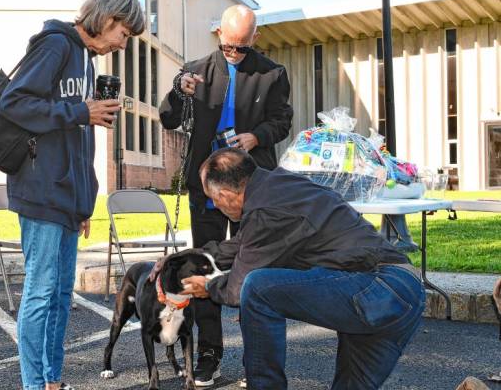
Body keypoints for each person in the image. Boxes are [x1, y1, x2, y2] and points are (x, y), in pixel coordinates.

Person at [180, 147, 426, 390]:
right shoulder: (280, 187)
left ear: (224, 195)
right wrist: (182, 260)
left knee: (256, 288)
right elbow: (240, 247)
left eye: (213, 199)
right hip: (402, 292)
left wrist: (210, 287)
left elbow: (237, 289)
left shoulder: (264, 211)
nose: (215, 204)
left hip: (375, 287)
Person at [0, 0, 144, 390]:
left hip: (67, 197)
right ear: (108, 18)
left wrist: (84, 202)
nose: (122, 43)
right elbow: (13, 103)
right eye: (124, 34)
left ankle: (51, 380)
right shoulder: (55, 45)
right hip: (41, 190)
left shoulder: (86, 62)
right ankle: (33, 383)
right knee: (41, 295)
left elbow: (80, 141)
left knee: (60, 297)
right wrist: (80, 110)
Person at [159, 4, 293, 386]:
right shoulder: (195, 70)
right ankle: (209, 353)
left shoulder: (272, 73)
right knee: (206, 266)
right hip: (207, 185)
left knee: (257, 269)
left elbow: (282, 121)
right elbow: (169, 118)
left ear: (255, 39)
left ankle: (260, 360)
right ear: (219, 34)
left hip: (253, 186)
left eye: (242, 48)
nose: (234, 53)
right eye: (229, 45)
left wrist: (256, 137)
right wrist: (176, 90)